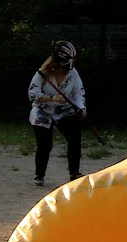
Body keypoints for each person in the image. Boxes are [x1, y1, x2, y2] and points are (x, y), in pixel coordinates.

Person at [28, 40, 86, 186]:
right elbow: (32, 94)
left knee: (75, 137)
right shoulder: (42, 74)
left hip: (64, 111)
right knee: (45, 144)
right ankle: (39, 175)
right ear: (62, 61)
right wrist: (51, 98)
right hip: (43, 111)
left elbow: (78, 93)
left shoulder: (73, 74)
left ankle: (74, 173)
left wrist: (81, 108)